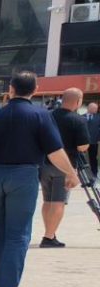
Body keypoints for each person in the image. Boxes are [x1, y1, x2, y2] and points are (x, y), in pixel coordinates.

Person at [0, 71, 79, 287]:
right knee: (17, 233)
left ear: (11, 89)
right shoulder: (41, 115)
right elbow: (55, 151)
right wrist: (71, 173)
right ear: (35, 90)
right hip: (24, 176)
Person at [38, 87, 90, 249]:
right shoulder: (78, 120)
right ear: (78, 101)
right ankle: (48, 236)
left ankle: (50, 233)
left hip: (44, 163)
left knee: (47, 201)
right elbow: (82, 146)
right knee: (58, 202)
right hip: (65, 166)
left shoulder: (48, 116)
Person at [86, 102, 100, 174]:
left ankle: (94, 173)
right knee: (81, 158)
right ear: (89, 108)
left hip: (94, 142)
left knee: (93, 158)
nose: (96, 110)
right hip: (82, 142)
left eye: (96, 108)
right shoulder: (81, 117)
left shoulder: (98, 117)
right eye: (94, 108)